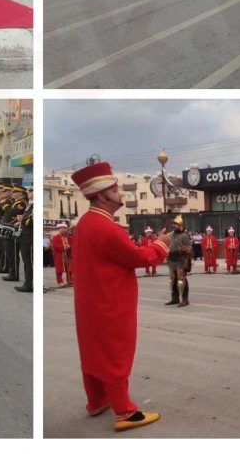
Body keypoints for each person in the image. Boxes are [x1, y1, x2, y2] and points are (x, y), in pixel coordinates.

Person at [69, 160, 169, 432]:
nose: (121, 194)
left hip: (90, 301)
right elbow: (137, 257)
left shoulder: (86, 223)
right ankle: (124, 411)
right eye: (115, 189)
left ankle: (97, 400)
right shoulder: (107, 228)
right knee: (115, 353)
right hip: (109, 300)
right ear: (101, 195)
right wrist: (161, 244)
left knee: (92, 353)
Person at [164, 215, 192, 307]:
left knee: (181, 280)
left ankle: (185, 299)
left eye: (176, 224)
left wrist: (184, 248)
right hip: (172, 260)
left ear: (180, 226)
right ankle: (175, 298)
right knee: (173, 280)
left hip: (180, 260)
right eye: (173, 224)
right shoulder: (170, 235)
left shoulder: (184, 236)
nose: (174, 226)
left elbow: (190, 250)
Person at [52, 221, 72, 287]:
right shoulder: (55, 237)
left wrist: (70, 247)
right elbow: (55, 246)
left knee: (69, 269)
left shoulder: (69, 237)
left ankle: (70, 280)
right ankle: (60, 282)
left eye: (65, 228)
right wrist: (65, 246)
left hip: (68, 255)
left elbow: (72, 244)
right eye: (62, 228)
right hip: (59, 255)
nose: (63, 230)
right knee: (59, 270)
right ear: (59, 229)